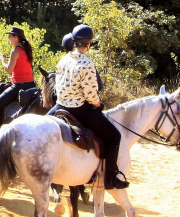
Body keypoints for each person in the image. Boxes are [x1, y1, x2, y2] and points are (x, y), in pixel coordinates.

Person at [51, 24, 127, 189]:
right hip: (78, 109)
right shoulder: (87, 63)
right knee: (114, 136)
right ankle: (110, 178)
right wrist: (98, 103)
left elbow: (58, 85)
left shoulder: (64, 59)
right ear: (88, 44)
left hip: (59, 106)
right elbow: (91, 95)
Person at [0, 26, 35, 128]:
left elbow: (8, 70)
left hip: (19, 86)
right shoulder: (27, 50)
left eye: (10, 36)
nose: (9, 38)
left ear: (16, 38)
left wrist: (2, 59)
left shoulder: (15, 51)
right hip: (31, 84)